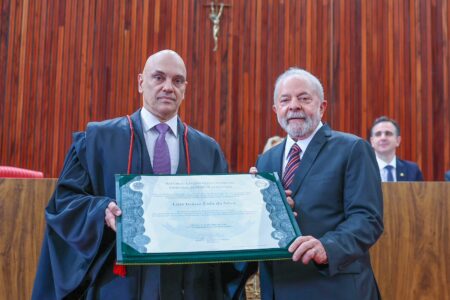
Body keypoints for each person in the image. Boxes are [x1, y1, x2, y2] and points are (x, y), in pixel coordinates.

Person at [32, 50, 244, 299]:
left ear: (185, 89)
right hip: (118, 284)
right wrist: (101, 211)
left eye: (177, 81)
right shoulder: (97, 140)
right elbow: (63, 204)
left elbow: (224, 221)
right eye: (159, 78)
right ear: (141, 83)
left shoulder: (208, 151)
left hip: (188, 286)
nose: (168, 87)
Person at [251, 68, 384, 299]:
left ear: (322, 107)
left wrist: (327, 247)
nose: (294, 105)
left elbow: (368, 219)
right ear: (276, 110)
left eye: (304, 98)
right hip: (280, 288)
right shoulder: (266, 160)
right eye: (285, 100)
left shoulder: (352, 149)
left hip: (335, 286)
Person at [370, 116, 424, 181]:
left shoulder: (412, 170)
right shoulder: (364, 170)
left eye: (388, 133)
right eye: (378, 134)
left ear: (398, 140)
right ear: (372, 141)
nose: (383, 138)